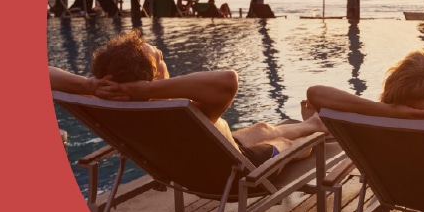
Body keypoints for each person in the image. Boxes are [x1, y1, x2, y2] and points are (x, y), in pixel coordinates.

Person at [50, 30, 328, 167]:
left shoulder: (108, 102)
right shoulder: (174, 111)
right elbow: (228, 80)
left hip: (209, 150)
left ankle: (313, 122)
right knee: (288, 143)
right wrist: (148, 90)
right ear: (150, 82)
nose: (161, 54)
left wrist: (88, 84)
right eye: (159, 57)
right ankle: (315, 130)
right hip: (231, 168)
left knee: (263, 128)